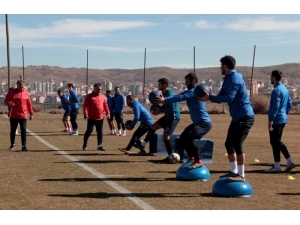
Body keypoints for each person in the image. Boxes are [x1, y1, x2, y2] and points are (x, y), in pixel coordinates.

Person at [199, 55, 254, 182]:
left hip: (245, 116)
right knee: (228, 143)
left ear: (225, 66)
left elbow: (230, 98)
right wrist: (208, 96)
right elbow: (220, 96)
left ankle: (241, 175)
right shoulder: (228, 79)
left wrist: (211, 98)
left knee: (237, 144)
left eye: (221, 65)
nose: (220, 68)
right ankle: (234, 171)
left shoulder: (235, 78)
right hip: (236, 117)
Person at [155, 73, 212, 170]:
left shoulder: (195, 91)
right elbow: (180, 95)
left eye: (188, 82)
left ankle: (198, 161)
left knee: (188, 138)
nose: (186, 84)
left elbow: (181, 98)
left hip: (204, 123)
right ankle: (192, 158)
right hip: (197, 123)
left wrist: (165, 100)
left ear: (194, 81)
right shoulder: (190, 90)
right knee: (183, 137)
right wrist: (166, 99)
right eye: (185, 82)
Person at [135, 78, 181, 162]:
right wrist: (158, 109)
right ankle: (143, 145)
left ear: (165, 85)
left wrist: (160, 110)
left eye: (159, 84)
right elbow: (165, 106)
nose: (158, 85)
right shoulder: (162, 93)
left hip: (173, 117)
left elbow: (172, 109)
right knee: (153, 127)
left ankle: (170, 157)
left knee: (166, 136)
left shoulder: (169, 93)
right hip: (167, 116)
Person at [264, 70, 295, 173]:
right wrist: (285, 112)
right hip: (282, 118)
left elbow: (276, 106)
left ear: (274, 78)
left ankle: (281, 164)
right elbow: (290, 102)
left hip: (277, 119)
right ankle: (282, 163)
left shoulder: (276, 90)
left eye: (271, 77)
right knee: (275, 141)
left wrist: (271, 119)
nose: (270, 79)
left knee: (275, 141)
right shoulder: (284, 89)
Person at [4, 80, 34, 151]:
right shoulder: (11, 92)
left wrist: (31, 113)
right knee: (13, 130)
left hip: (23, 114)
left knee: (23, 130)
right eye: (20, 84)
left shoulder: (26, 93)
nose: (21, 86)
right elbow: (6, 101)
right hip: (14, 115)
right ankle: (12, 144)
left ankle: (24, 146)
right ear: (17, 85)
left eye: (23, 84)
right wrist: (9, 103)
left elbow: (29, 104)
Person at [83, 83, 110, 151]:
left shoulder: (103, 97)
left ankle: (99, 145)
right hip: (91, 118)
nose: (99, 90)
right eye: (98, 89)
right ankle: (85, 143)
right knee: (89, 131)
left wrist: (108, 113)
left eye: (100, 89)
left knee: (100, 131)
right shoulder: (89, 96)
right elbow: (85, 106)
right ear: (94, 89)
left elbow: (105, 106)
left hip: (100, 118)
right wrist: (86, 114)